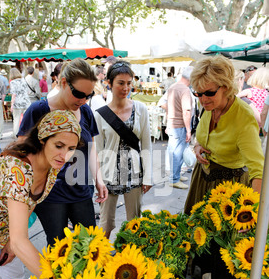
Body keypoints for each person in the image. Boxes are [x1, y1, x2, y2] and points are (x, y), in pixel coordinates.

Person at [0, 110, 81, 279]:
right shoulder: (18, 168)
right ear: (42, 140)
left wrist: (12, 241)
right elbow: (20, 241)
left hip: (5, 231)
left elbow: (31, 202)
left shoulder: (51, 166)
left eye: (71, 149)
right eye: (59, 145)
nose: (65, 155)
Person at [17, 58, 108, 247]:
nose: (82, 100)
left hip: (81, 190)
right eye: (78, 94)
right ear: (64, 82)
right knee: (58, 249)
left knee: (90, 245)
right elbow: (21, 154)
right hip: (50, 194)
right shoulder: (38, 110)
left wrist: (99, 179)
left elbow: (90, 150)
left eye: (88, 96)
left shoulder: (85, 111)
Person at [184, 54, 264, 216]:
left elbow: (258, 172)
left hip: (228, 189)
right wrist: (199, 146)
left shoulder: (243, 117)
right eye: (198, 93)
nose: (203, 99)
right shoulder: (209, 105)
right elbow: (203, 135)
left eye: (209, 93)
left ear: (226, 87)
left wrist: (251, 213)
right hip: (201, 178)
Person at [94, 60, 152, 239]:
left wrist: (148, 176)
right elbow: (97, 150)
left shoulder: (141, 109)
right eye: (121, 83)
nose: (126, 87)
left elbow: (146, 145)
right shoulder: (100, 114)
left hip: (134, 174)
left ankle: (130, 259)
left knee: (134, 223)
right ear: (109, 83)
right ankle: (99, 261)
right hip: (108, 175)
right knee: (105, 224)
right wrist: (98, 181)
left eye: (129, 83)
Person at [161, 66, 194, 189]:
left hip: (173, 124)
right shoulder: (184, 90)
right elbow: (186, 111)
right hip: (179, 125)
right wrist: (189, 130)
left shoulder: (173, 87)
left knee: (175, 152)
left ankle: (176, 176)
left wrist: (169, 123)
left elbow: (168, 107)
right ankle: (174, 179)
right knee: (177, 153)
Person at [9, 67, 31, 137]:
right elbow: (28, 91)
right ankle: (28, 133)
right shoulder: (24, 80)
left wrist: (12, 105)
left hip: (17, 103)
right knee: (27, 119)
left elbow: (14, 94)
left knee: (16, 119)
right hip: (26, 102)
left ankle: (16, 134)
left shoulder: (12, 82)